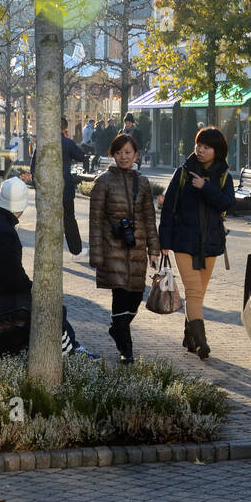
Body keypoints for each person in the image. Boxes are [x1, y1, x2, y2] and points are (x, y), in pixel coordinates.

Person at [0, 177, 89, 358]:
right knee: (51, 307)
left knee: (46, 303)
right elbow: (14, 279)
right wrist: (36, 289)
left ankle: (72, 347)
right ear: (22, 205)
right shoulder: (4, 232)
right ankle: (70, 353)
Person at [158, 126, 234, 360]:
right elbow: (169, 208)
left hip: (210, 243)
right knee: (193, 291)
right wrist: (164, 241)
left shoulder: (224, 177)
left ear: (217, 151)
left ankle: (189, 335)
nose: (200, 150)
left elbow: (227, 205)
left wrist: (206, 188)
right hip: (184, 241)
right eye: (198, 145)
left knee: (198, 295)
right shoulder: (182, 173)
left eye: (206, 147)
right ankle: (202, 343)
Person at [89, 133, 160, 363]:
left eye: (128, 152)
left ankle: (117, 329)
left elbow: (150, 218)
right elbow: (96, 220)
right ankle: (126, 349)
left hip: (137, 248)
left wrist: (154, 249)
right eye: (118, 153)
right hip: (113, 247)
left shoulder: (144, 182)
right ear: (112, 154)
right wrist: (97, 254)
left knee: (135, 297)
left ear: (136, 154)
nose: (123, 157)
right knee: (120, 295)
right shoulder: (104, 181)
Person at [30, 117, 88, 255]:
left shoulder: (43, 143)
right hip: (65, 188)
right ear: (64, 129)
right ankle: (76, 251)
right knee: (69, 220)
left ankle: (48, 252)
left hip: (46, 190)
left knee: (48, 221)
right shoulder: (67, 143)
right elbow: (81, 156)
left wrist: (38, 186)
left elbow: (34, 167)